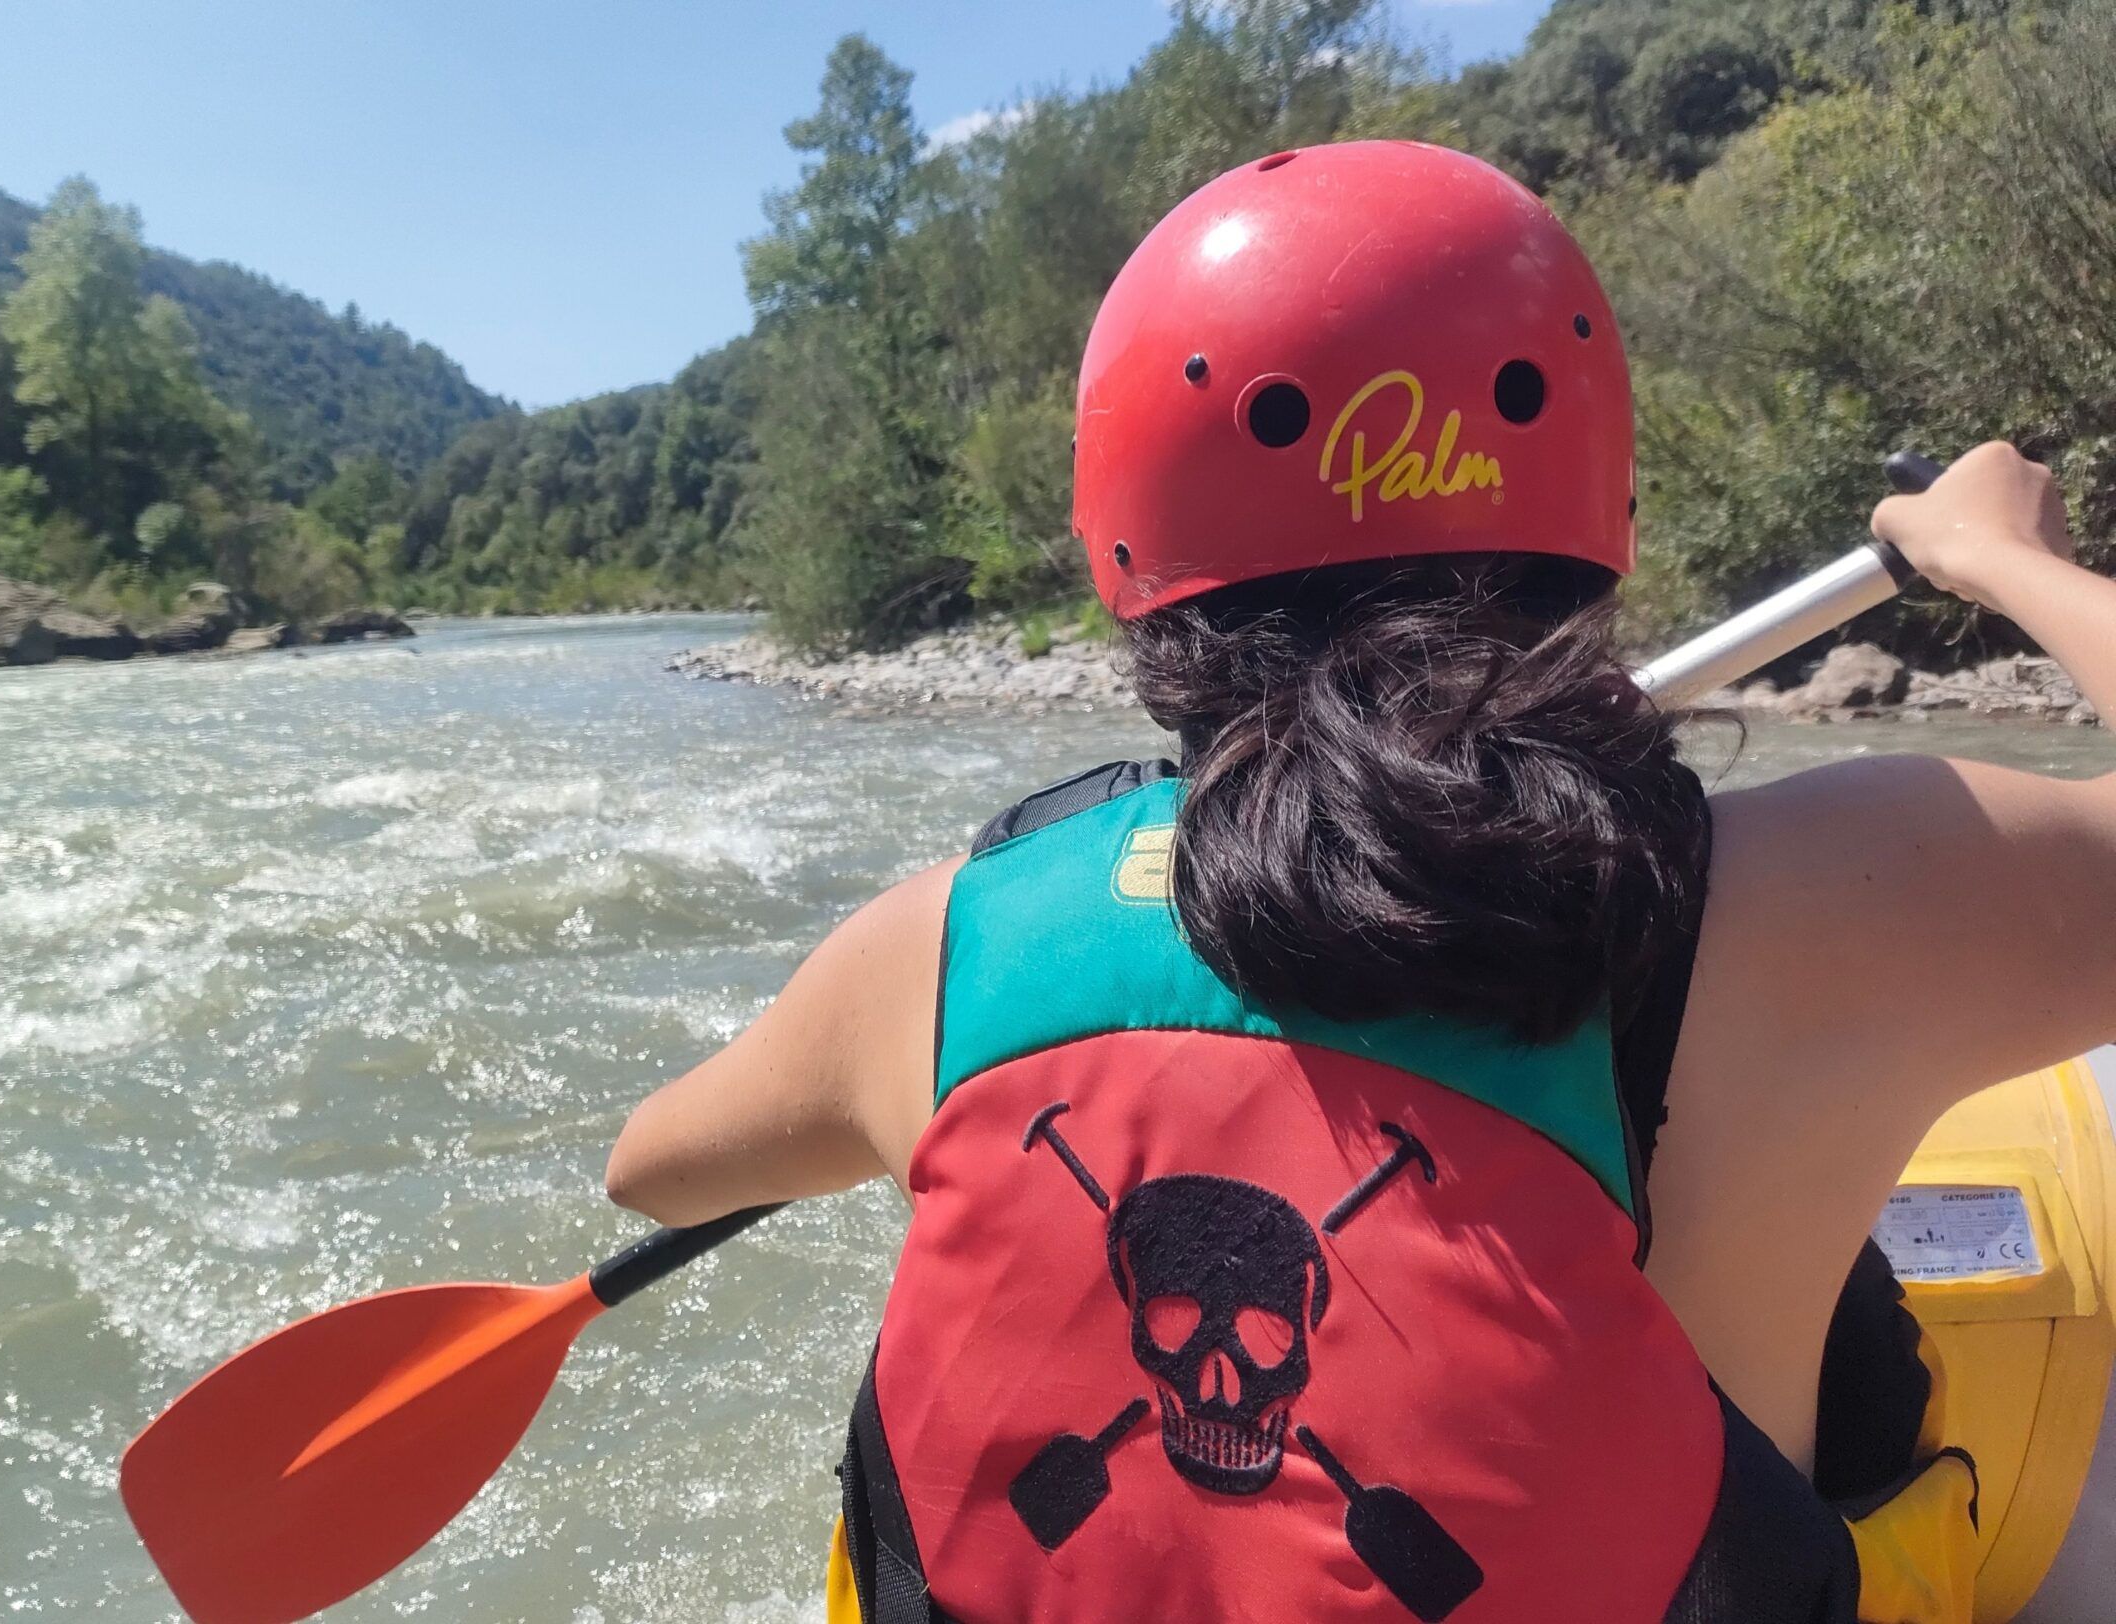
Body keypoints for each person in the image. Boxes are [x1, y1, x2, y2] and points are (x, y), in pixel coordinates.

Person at [606, 141, 2116, 1622]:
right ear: (1600, 508)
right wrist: (2000, 562)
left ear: (1125, 552)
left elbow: (654, 1171)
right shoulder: (1837, 903)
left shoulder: (943, 947)